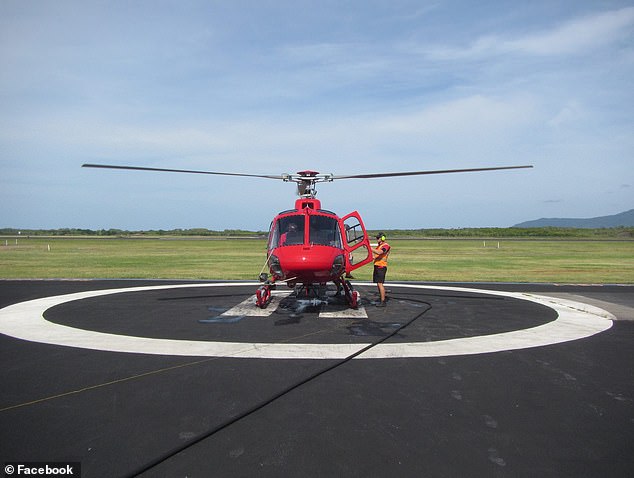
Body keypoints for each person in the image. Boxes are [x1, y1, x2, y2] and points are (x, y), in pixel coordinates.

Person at [371, 232, 390, 307]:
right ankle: (381, 298)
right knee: (378, 283)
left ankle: (383, 301)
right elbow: (377, 255)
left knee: (380, 284)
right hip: (377, 266)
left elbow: (380, 252)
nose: (377, 239)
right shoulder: (380, 246)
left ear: (382, 238)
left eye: (378, 238)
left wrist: (370, 248)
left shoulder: (385, 246)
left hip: (381, 267)